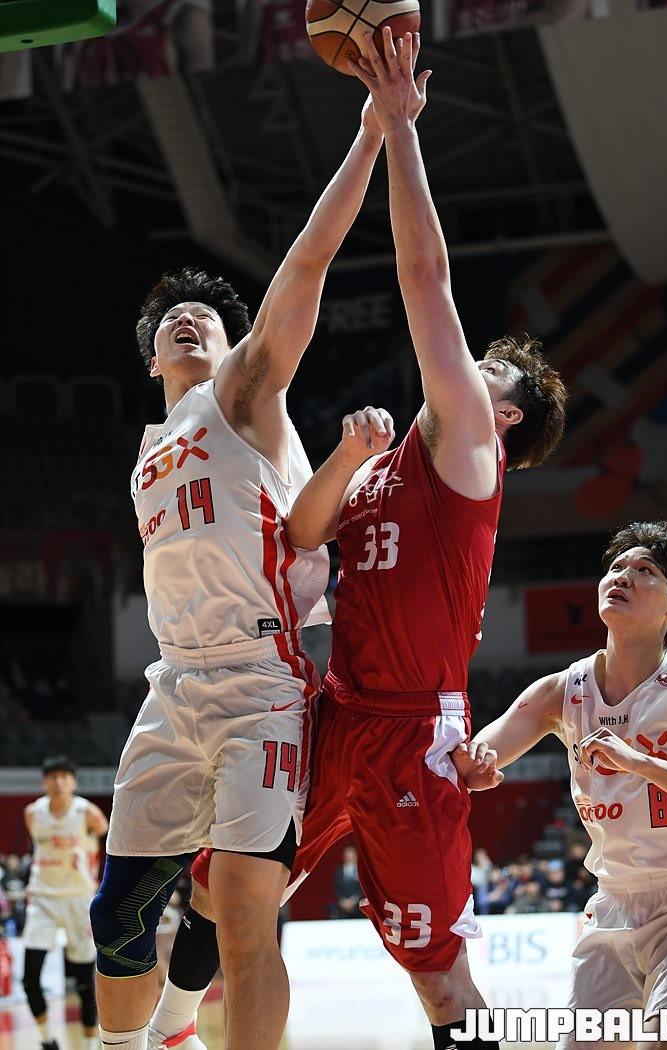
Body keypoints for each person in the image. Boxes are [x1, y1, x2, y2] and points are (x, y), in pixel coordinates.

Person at [183, 29, 567, 1050]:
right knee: (221, 891)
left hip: (412, 734)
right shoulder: (387, 460)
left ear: (507, 415)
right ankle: (170, 1032)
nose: (467, 371)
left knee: (438, 979)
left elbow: (424, 277)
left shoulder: (471, 449)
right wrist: (344, 461)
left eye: (488, 372)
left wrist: (399, 129)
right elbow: (304, 532)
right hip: (338, 710)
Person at [90, 90, 389, 1050]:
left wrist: (370, 135)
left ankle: (186, 1025)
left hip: (262, 682)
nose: (188, 320)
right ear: (151, 362)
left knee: (243, 913)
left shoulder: (243, 396)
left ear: (234, 347)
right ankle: (147, 1037)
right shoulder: (148, 448)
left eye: (206, 318)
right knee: (119, 917)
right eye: (171, 321)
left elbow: (306, 263)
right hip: (172, 684)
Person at [455, 519, 667, 1048]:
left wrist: (641, 764)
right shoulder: (562, 690)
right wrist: (477, 762)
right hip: (613, 902)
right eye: (616, 567)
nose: (623, 576)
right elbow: (480, 755)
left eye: (645, 571)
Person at [23, 756, 108, 1050]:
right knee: (30, 977)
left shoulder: (89, 813)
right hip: (43, 899)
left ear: (73, 781)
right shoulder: (33, 813)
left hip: (79, 900)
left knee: (86, 982)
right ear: (44, 781)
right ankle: (47, 1040)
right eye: (53, 777)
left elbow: (106, 840)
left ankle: (88, 1046)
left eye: (64, 776)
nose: (59, 782)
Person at [332, 844, 363, 919]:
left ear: (355, 856)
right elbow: (337, 888)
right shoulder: (339, 871)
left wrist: (353, 900)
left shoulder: (361, 871)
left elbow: (363, 889)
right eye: (347, 856)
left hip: (358, 907)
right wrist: (343, 900)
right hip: (342, 907)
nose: (349, 858)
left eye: (351, 856)